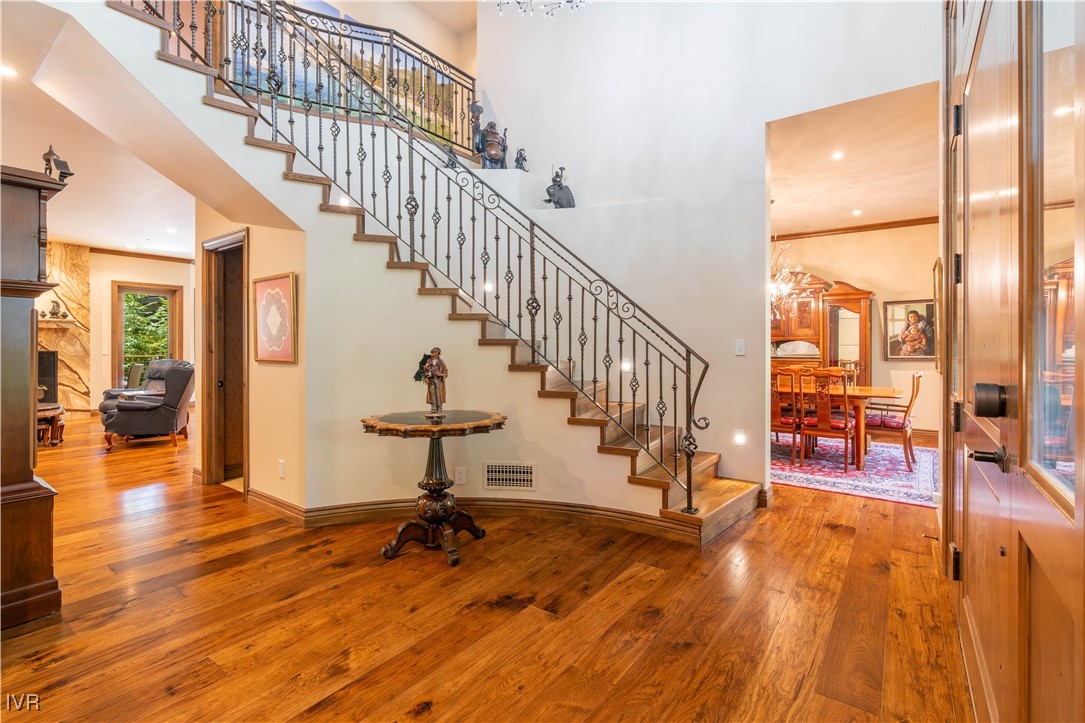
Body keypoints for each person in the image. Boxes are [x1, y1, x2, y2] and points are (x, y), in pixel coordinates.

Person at [415, 347, 448, 415]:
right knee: (432, 393)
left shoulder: (441, 361)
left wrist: (441, 374)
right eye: (434, 352)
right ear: (432, 353)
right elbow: (425, 371)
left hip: (438, 379)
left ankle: (439, 409)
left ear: (439, 353)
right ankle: (433, 409)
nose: (435, 354)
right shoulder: (429, 361)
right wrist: (425, 369)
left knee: (439, 394)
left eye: (437, 352)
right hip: (431, 378)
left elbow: (445, 371)